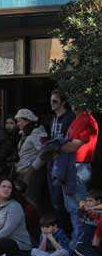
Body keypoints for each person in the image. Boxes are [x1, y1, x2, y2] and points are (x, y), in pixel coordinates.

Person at [60, 106, 99, 249]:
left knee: (77, 210)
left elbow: (73, 146)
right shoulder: (78, 119)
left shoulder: (85, 120)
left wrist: (53, 147)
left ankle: (78, 246)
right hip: (74, 166)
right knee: (74, 209)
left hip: (78, 167)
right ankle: (77, 244)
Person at [47, 89, 75, 234]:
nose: (52, 104)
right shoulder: (53, 119)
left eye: (55, 101)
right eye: (51, 100)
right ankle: (62, 233)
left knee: (65, 202)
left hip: (64, 162)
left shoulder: (69, 118)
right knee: (56, 202)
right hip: (53, 161)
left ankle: (68, 233)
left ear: (63, 102)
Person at [13, 109, 48, 210]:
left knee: (32, 202)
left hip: (31, 174)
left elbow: (44, 152)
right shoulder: (25, 133)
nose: (18, 123)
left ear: (27, 121)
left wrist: (33, 167)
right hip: (23, 172)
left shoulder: (37, 133)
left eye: (19, 121)